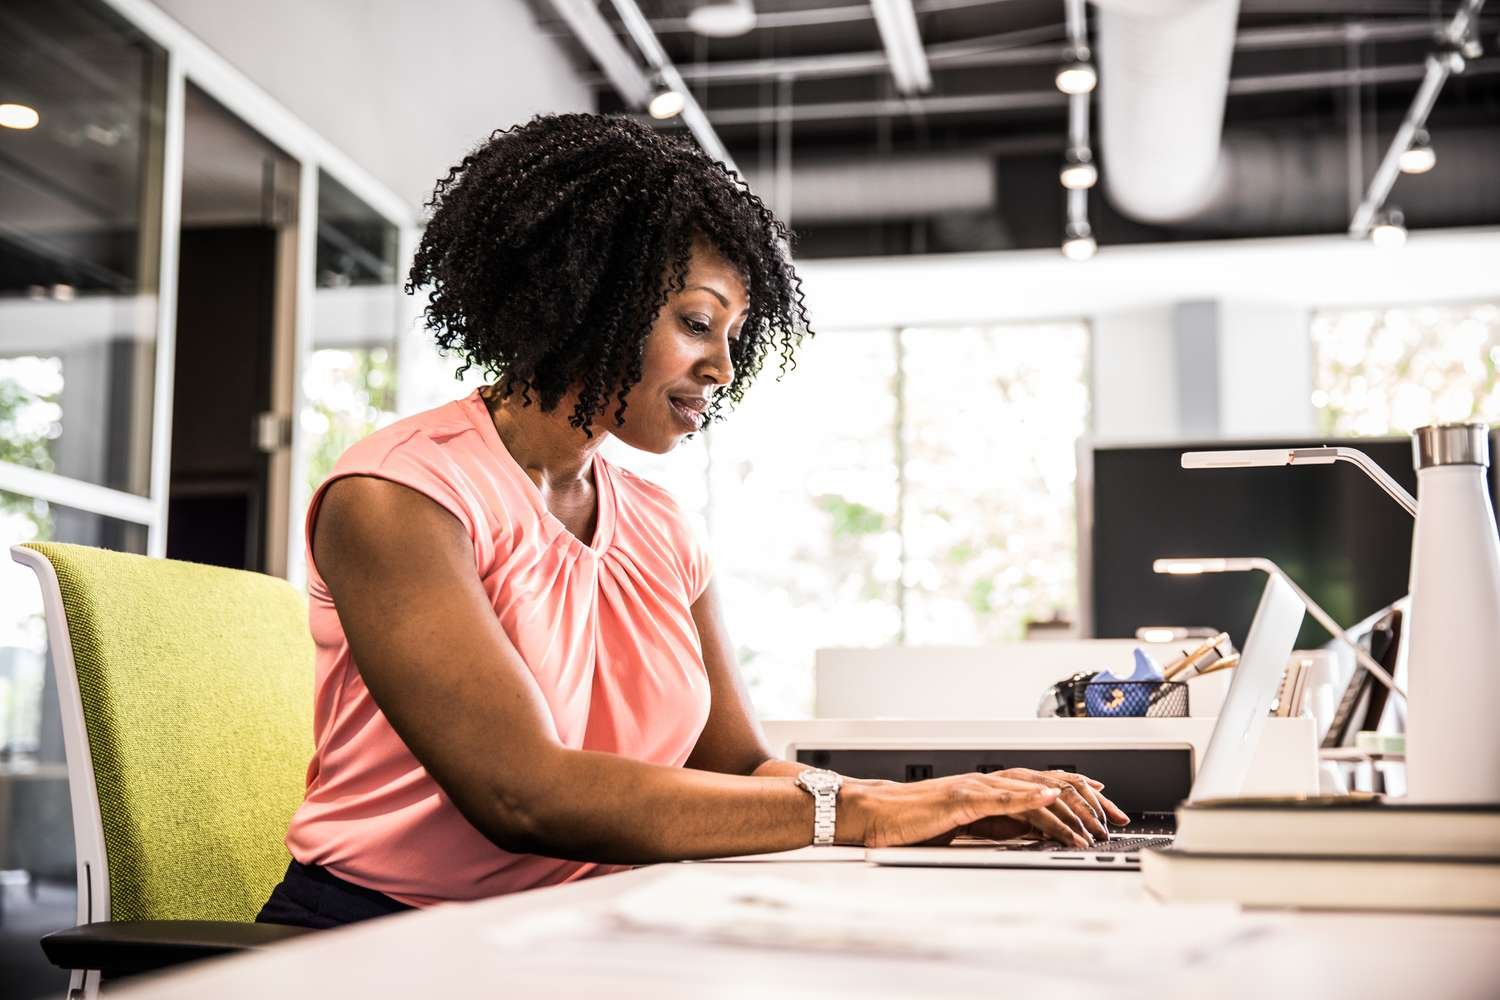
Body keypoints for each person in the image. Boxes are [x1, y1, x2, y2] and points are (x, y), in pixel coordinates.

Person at [258, 113, 1127, 929]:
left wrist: (930, 810)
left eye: (734, 334)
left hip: (581, 927)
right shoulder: (401, 495)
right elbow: (525, 795)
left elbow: (738, 767)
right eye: (697, 322)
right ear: (587, 299)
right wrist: (865, 811)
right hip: (382, 938)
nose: (721, 365)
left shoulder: (659, 523)